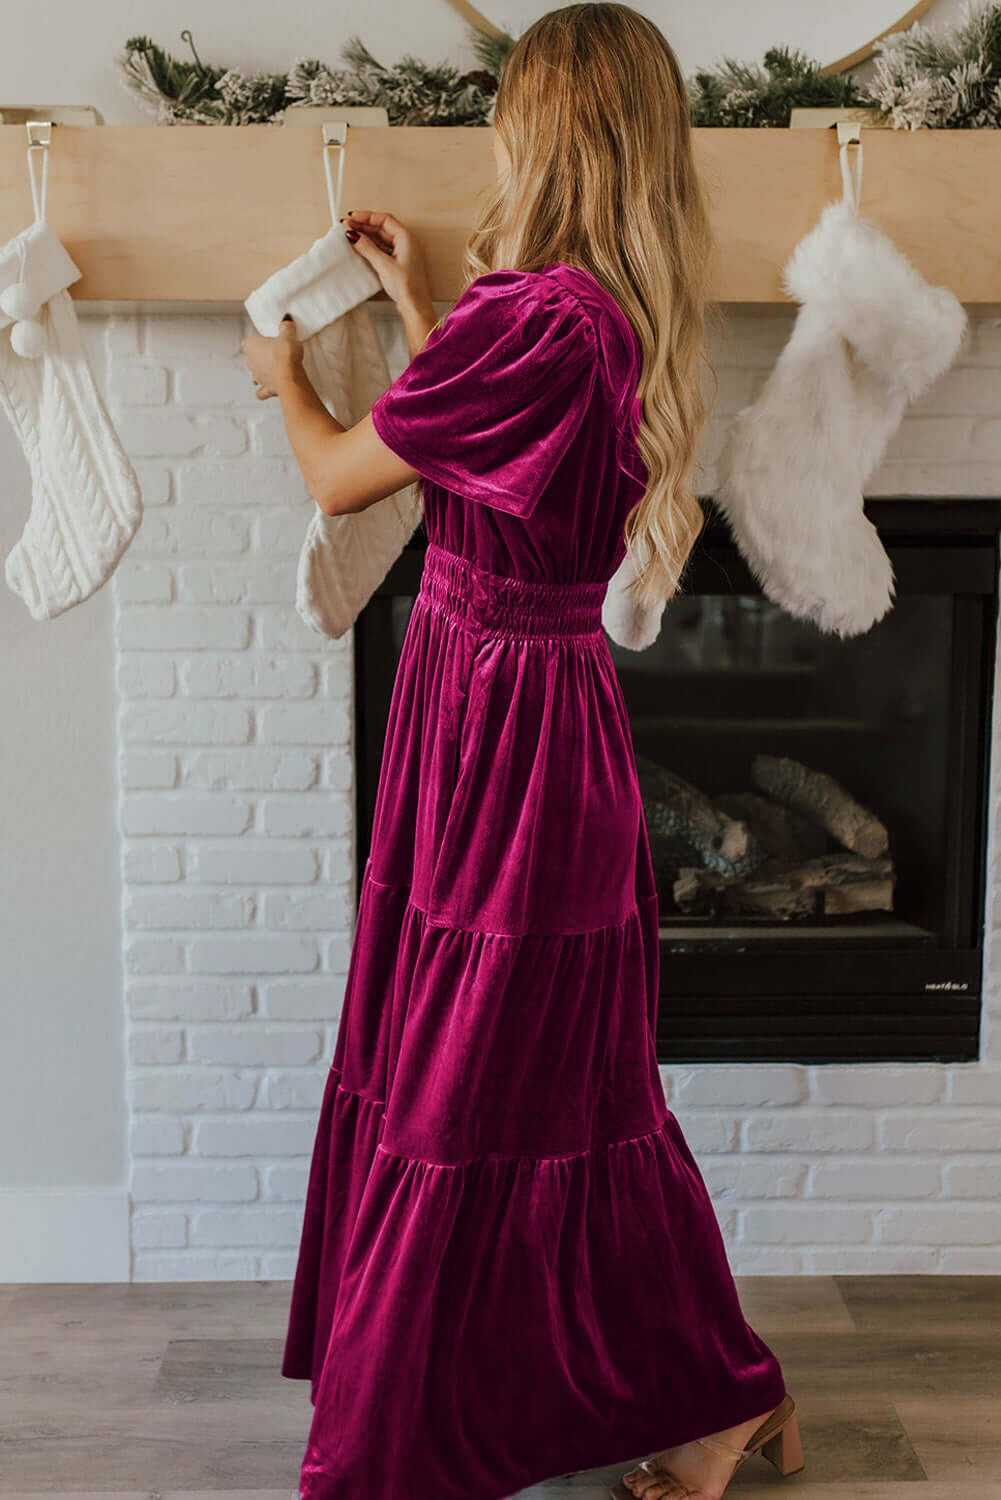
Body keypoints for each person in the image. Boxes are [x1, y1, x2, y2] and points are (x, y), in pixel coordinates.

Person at [240, 7, 801, 1500]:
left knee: (474, 1082)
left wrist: (278, 370)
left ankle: (628, 1408)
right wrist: (423, 301)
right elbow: (483, 465)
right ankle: (723, 1394)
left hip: (491, 732)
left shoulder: (526, 320)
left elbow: (348, 474)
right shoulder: (592, 316)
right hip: (534, 722)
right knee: (565, 1090)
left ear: (539, 135)